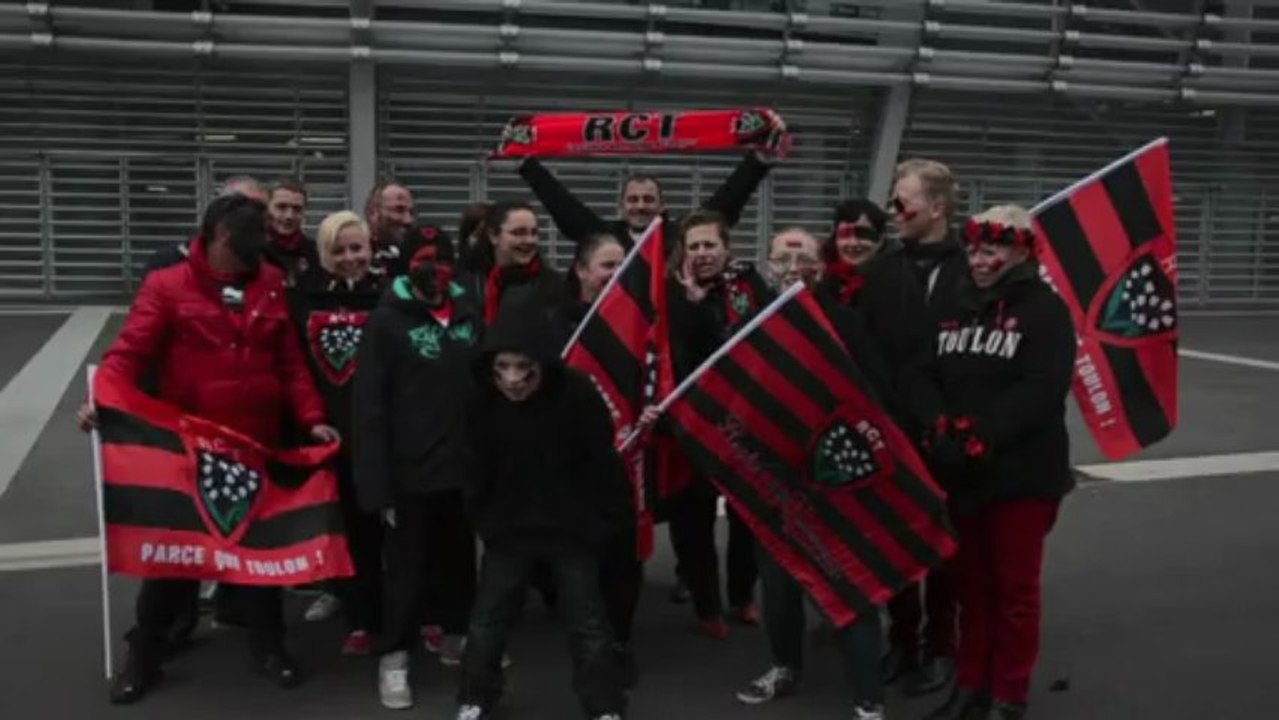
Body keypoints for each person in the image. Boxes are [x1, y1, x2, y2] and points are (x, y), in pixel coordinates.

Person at [78, 194, 338, 704]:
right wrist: (99, 402)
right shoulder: (168, 286)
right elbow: (127, 354)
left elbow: (289, 362)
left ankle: (269, 647)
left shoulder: (266, 282)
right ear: (218, 237)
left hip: (254, 442)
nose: (253, 262)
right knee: (176, 560)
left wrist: (313, 420)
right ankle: (145, 654)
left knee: (260, 553)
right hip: (188, 447)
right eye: (244, 252)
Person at [922, 206, 1074, 720]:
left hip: (1022, 475)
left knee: (1014, 589)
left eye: (992, 249)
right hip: (963, 475)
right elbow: (925, 370)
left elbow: (1043, 387)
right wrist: (938, 423)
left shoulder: (1045, 310)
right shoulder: (955, 303)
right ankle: (971, 685)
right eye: (974, 248)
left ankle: (1008, 694)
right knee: (972, 586)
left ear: (1021, 251)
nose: (980, 259)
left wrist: (981, 432)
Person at [733, 227, 890, 720]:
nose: (793, 267)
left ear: (821, 268)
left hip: (836, 474)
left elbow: (876, 393)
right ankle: (784, 665)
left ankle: (868, 696)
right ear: (769, 265)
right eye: (783, 257)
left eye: (804, 258)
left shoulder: (845, 322)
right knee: (777, 583)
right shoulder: (752, 325)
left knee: (850, 583)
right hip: (774, 478)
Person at [454, 300, 631, 720]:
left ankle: (604, 707)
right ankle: (475, 699)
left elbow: (603, 465)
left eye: (523, 368)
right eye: (502, 368)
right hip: (509, 531)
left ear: (543, 364)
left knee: (587, 624)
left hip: (571, 530)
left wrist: (601, 525)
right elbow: (470, 466)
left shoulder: (577, 394)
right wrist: (486, 521)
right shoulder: (479, 401)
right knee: (486, 625)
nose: (512, 380)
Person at [353, 235, 484, 710]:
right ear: (408, 268)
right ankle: (394, 657)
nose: (438, 270)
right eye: (426, 262)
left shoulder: (469, 312)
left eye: (445, 260)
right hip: (408, 473)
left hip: (462, 466)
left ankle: (457, 635)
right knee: (405, 571)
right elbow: (370, 405)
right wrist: (376, 483)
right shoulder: (387, 322)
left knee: (459, 560)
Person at [884, 159, 969, 696]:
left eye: (902, 201)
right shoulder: (885, 265)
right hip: (890, 427)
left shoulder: (970, 268)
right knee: (894, 544)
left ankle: (942, 646)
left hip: (945, 430)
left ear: (936, 208)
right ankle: (902, 641)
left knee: (943, 547)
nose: (893, 211)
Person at [663, 209, 770, 638]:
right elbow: (687, 355)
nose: (703, 254)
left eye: (711, 245)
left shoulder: (748, 285)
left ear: (727, 248)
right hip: (693, 424)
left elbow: (752, 340)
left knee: (747, 519)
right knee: (693, 521)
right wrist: (694, 304)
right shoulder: (671, 294)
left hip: (744, 420)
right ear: (682, 253)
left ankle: (742, 596)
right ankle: (707, 605)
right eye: (695, 247)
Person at [286, 211, 387, 655]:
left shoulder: (390, 296)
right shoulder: (301, 300)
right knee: (350, 530)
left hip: (381, 431)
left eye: (358, 248)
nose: (351, 258)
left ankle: (409, 613)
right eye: (340, 250)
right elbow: (294, 368)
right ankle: (360, 617)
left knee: (392, 533)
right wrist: (310, 420)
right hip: (330, 432)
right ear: (325, 254)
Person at [555, 232, 643, 687]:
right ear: (582, 271)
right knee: (577, 565)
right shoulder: (557, 324)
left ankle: (620, 643)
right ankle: (586, 646)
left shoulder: (636, 323)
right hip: (569, 468)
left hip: (624, 463)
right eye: (607, 265)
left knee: (623, 561)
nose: (615, 274)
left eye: (622, 265)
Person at [518, 148, 777, 257]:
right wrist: (528, 166)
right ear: (622, 206)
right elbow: (566, 210)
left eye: (648, 199)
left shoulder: (682, 234)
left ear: (662, 206)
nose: (640, 206)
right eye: (633, 199)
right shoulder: (606, 238)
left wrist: (757, 161)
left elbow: (724, 206)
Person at [459, 200, 567, 324]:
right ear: (494, 236)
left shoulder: (553, 286)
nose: (529, 240)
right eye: (519, 233)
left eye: (534, 233)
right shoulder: (469, 284)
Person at [142, 175, 268, 277]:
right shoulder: (168, 263)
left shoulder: (268, 263)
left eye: (262, 210)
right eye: (247, 208)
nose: (256, 217)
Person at [363, 179, 454, 277]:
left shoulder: (412, 257)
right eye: (399, 210)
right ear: (373, 213)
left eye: (411, 212)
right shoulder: (355, 256)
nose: (408, 220)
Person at [265, 177, 319, 283]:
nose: (289, 216)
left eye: (297, 209)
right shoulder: (253, 250)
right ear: (267, 208)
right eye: (281, 207)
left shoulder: (316, 253)